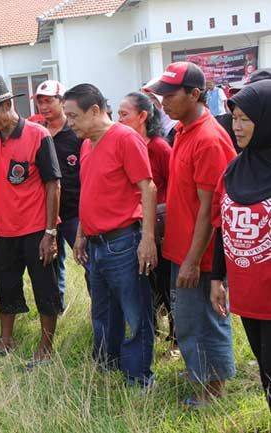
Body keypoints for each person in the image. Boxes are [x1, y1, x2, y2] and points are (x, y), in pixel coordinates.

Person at [147, 62, 237, 405]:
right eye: (161, 94)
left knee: (206, 321)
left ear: (195, 94)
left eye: (170, 94)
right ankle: (200, 373)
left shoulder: (209, 139)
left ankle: (212, 392)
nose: (163, 101)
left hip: (199, 254)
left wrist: (193, 259)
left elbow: (209, 209)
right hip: (180, 248)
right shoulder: (183, 131)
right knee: (188, 319)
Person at [0, 76, 62, 366]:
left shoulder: (37, 136)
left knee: (44, 286)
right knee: (6, 285)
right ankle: (6, 339)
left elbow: (52, 185)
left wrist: (50, 232)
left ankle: (46, 345)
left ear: (8, 104)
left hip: (36, 229)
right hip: (5, 231)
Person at [65, 83, 158, 387]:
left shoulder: (124, 138)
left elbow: (148, 188)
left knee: (134, 313)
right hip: (96, 244)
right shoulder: (87, 144)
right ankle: (107, 367)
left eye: (74, 116)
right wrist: (80, 235)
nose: (70, 123)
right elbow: (89, 193)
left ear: (94, 110)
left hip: (123, 241)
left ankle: (138, 378)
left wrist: (146, 239)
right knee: (103, 312)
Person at [210, 79, 271, 411]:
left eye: (246, 119)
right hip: (248, 294)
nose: (237, 126)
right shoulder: (234, 169)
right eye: (234, 118)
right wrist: (217, 278)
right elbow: (222, 226)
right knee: (265, 370)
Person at [117, 92, 175, 346]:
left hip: (161, 227)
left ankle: (175, 337)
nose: (118, 120)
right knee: (145, 283)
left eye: (124, 115)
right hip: (135, 227)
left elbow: (175, 187)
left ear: (142, 117)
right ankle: (151, 332)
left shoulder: (160, 147)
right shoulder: (125, 145)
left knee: (163, 282)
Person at [34, 80, 85, 302]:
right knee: (51, 265)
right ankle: (58, 308)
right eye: (40, 102)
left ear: (62, 102)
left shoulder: (76, 132)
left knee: (88, 262)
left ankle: (100, 313)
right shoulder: (37, 133)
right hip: (47, 215)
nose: (44, 106)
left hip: (75, 212)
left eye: (49, 101)